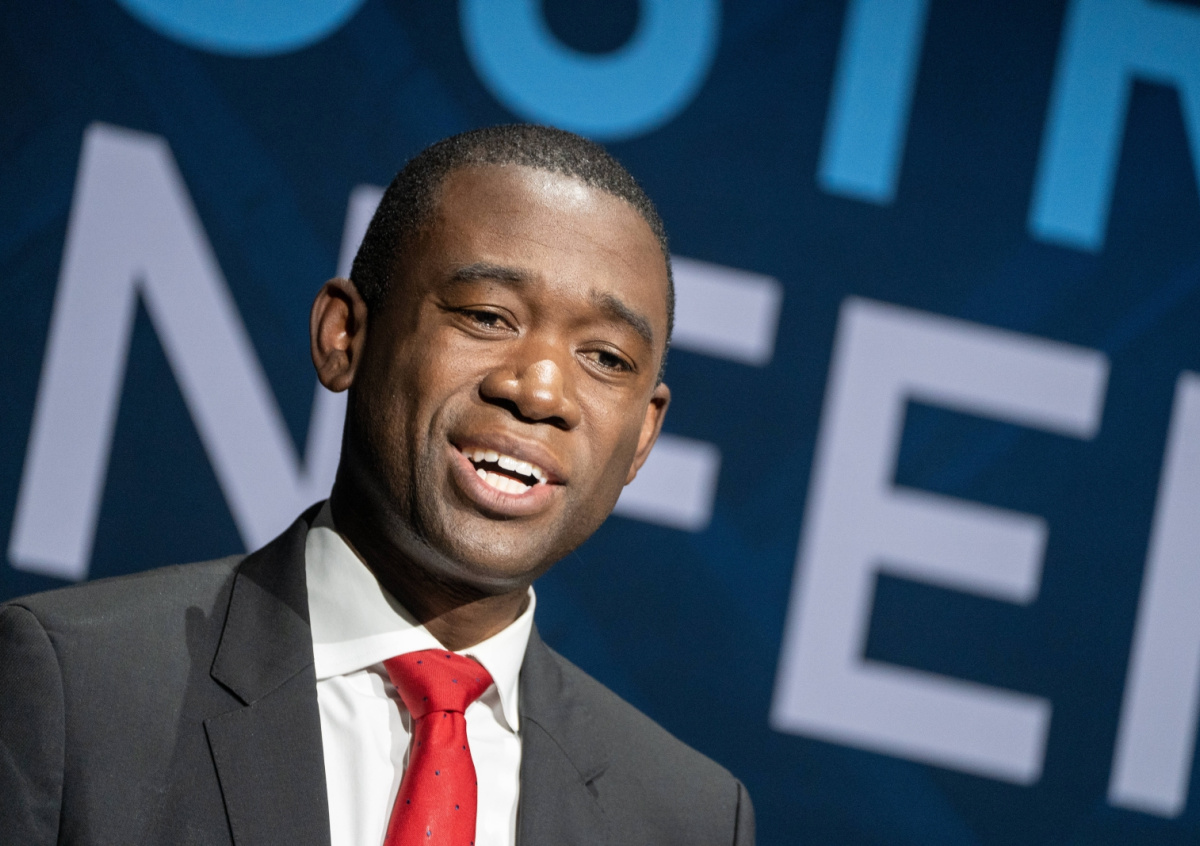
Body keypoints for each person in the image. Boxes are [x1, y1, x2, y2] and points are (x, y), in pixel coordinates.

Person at [0, 125, 754, 846]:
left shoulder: (688, 820)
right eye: (488, 316)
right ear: (344, 336)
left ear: (643, 436)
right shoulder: (77, 688)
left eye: (607, 359)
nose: (540, 391)